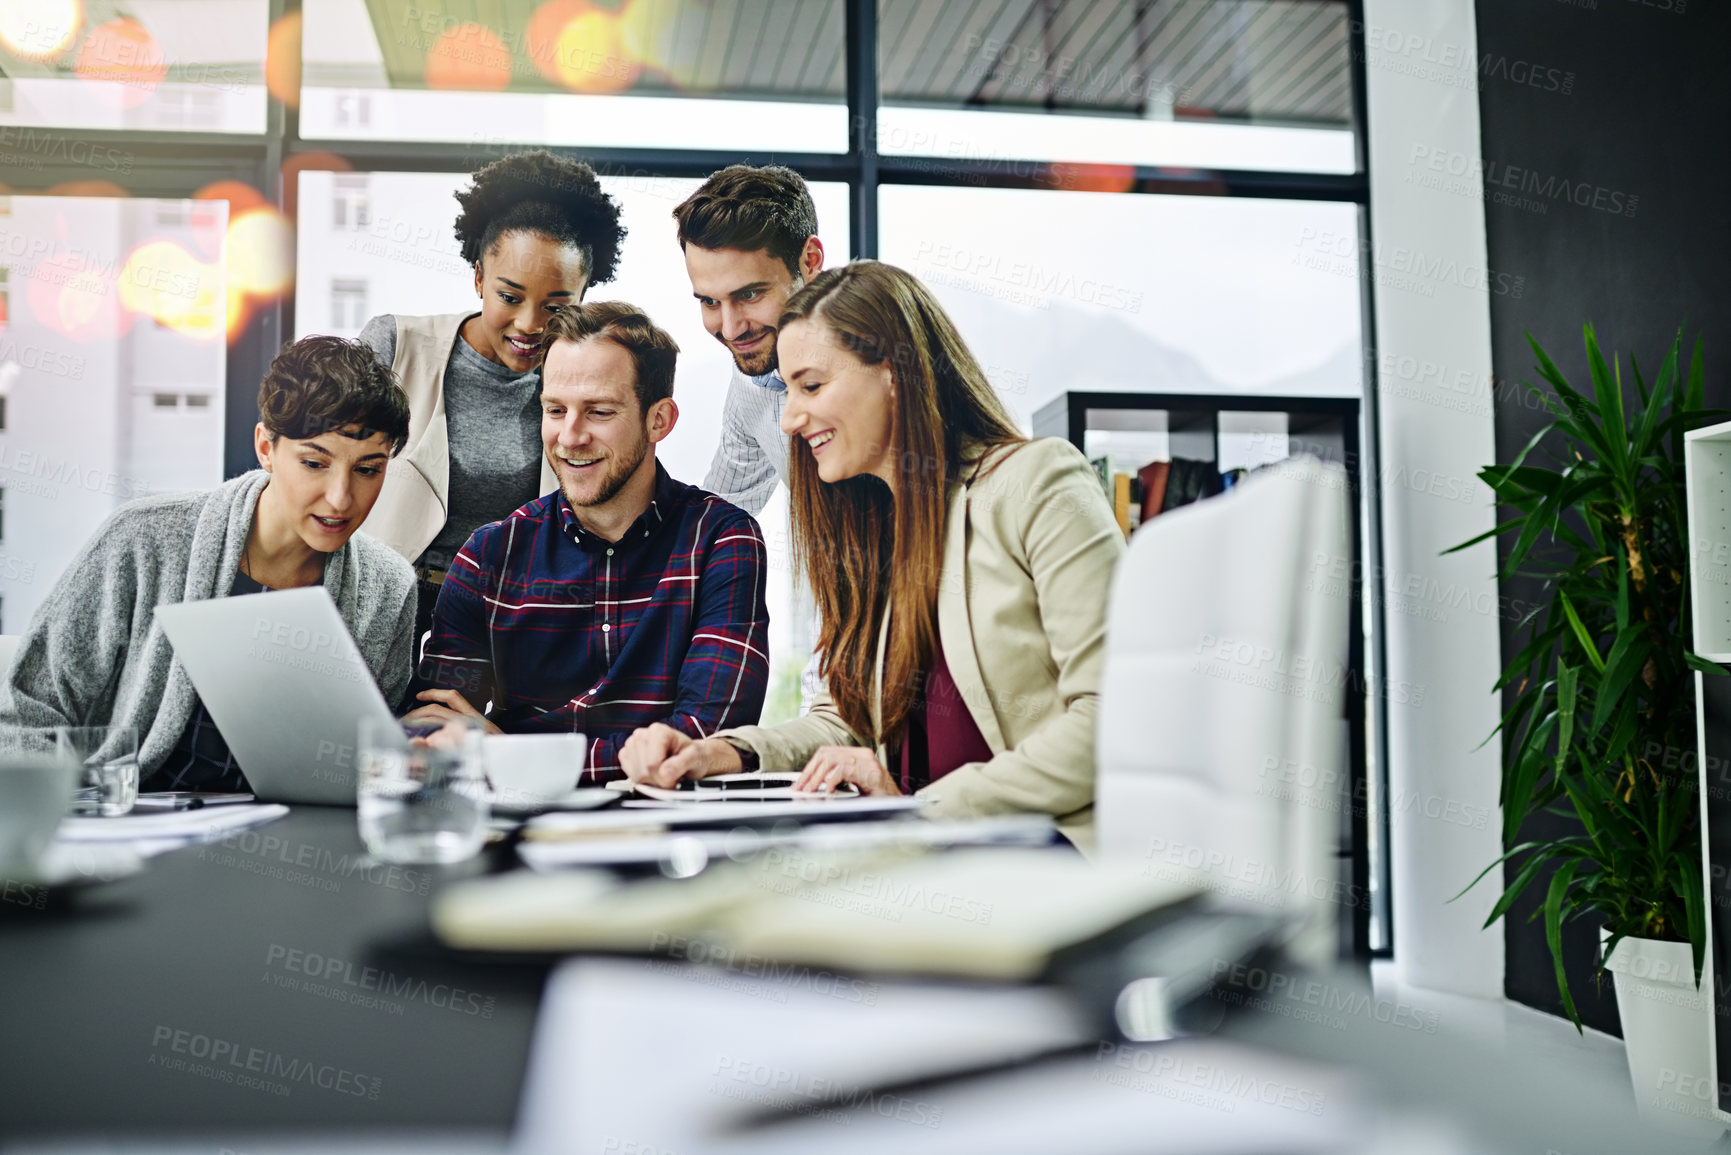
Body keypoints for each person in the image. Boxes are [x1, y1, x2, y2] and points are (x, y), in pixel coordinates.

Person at [618, 262, 1124, 851]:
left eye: (810, 386)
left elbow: (1110, 717)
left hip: (1040, 861)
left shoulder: (1036, 484)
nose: (788, 417)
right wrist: (725, 752)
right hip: (918, 863)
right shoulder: (871, 532)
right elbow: (845, 720)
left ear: (893, 373)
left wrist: (920, 812)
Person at [0, 337, 417, 790]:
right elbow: (27, 713)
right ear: (265, 448)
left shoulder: (389, 587)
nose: (340, 498)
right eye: (315, 463)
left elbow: (369, 763)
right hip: (131, 827)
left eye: (368, 470)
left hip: (295, 841)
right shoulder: (144, 538)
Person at [406, 301, 771, 781]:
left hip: (664, 832)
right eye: (555, 410)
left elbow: (704, 739)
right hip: (516, 835)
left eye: (598, 411)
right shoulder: (488, 557)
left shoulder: (723, 542)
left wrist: (509, 754)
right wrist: (484, 751)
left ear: (659, 420)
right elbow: (429, 730)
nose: (570, 436)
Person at [358, 150, 627, 649]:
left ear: (584, 294)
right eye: (509, 296)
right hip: (379, 610)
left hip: (508, 628)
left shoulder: (585, 385)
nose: (530, 324)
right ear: (479, 276)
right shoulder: (397, 347)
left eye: (556, 305)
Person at [673, 164, 824, 517]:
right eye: (710, 301)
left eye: (751, 294)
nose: (730, 329)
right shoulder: (752, 384)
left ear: (810, 262)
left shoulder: (883, 360)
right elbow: (718, 518)